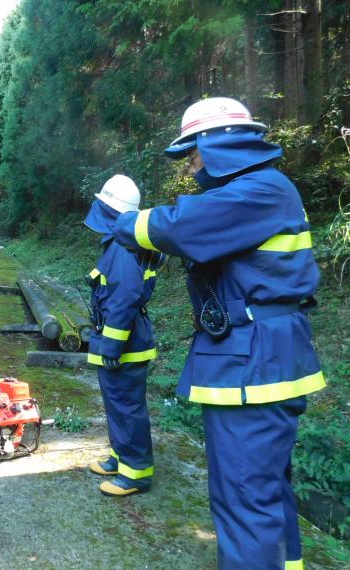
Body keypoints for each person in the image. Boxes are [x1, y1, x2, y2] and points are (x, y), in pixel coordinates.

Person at [112, 97, 325, 569]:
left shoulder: (258, 191)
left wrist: (120, 223)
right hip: (262, 357)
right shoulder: (262, 190)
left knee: (243, 497)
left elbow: (181, 226)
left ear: (217, 143)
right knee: (266, 492)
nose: (190, 168)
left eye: (192, 154)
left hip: (253, 366)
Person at [84, 174, 165, 497]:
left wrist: (112, 344)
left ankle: (136, 473)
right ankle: (120, 457)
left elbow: (126, 296)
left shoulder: (121, 246)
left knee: (127, 406)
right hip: (123, 340)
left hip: (125, 344)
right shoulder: (123, 243)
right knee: (117, 404)